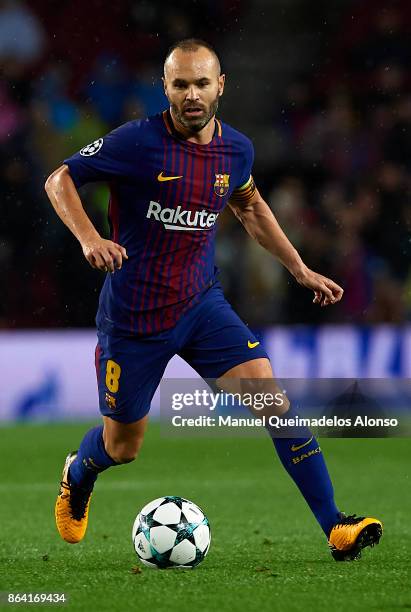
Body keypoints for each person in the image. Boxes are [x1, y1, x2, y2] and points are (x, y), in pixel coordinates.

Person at [45, 39, 382, 561]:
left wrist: (298, 267)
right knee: (122, 447)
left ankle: (335, 524)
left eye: (202, 83)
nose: (192, 94)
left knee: (275, 403)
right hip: (134, 321)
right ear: (166, 88)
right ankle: (79, 470)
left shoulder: (237, 150)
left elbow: (250, 206)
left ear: (220, 85)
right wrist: (91, 238)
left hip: (202, 307)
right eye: (180, 84)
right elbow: (59, 178)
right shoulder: (137, 143)